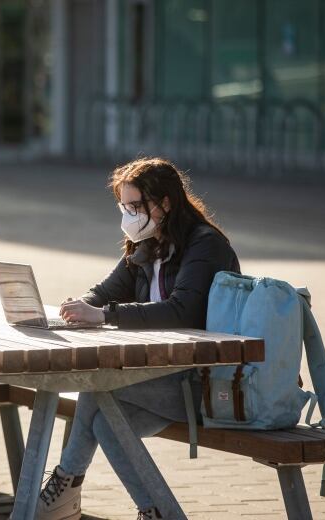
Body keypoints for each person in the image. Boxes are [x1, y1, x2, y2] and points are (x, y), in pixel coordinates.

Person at [37, 158, 240, 520]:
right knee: (104, 420)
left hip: (205, 384)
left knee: (100, 388)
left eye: (135, 207)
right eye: (124, 207)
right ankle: (155, 511)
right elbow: (105, 291)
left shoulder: (205, 245)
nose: (128, 216)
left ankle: (65, 482)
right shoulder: (146, 245)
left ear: (164, 203)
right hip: (164, 377)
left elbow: (182, 311)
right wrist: (79, 306)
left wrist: (105, 316)